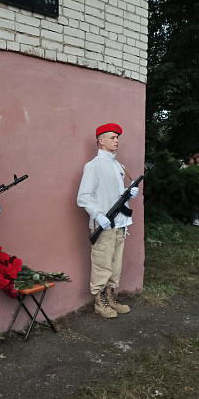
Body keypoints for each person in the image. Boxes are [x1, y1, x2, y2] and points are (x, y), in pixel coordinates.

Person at [77, 122, 139, 318]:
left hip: (120, 223)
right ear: (100, 141)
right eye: (112, 137)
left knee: (115, 264)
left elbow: (115, 194)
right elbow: (84, 196)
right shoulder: (93, 166)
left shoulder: (117, 165)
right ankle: (100, 302)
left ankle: (110, 297)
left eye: (117, 137)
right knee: (102, 263)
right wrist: (98, 215)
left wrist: (128, 194)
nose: (116, 140)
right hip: (103, 224)